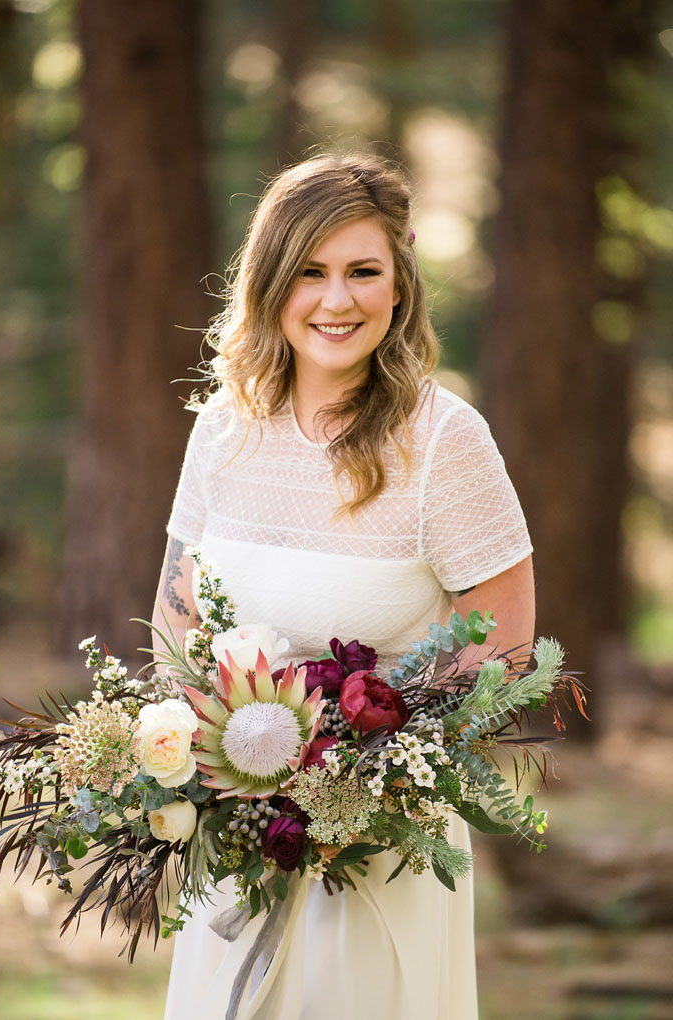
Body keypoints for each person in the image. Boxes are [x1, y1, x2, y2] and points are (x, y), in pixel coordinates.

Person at [153, 152, 535, 1020]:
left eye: (364, 271)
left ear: (399, 285)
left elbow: (503, 652)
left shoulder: (446, 442)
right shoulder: (221, 428)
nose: (337, 301)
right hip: (236, 837)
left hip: (377, 852)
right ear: (271, 283)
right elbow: (176, 620)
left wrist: (368, 781)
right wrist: (204, 770)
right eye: (311, 273)